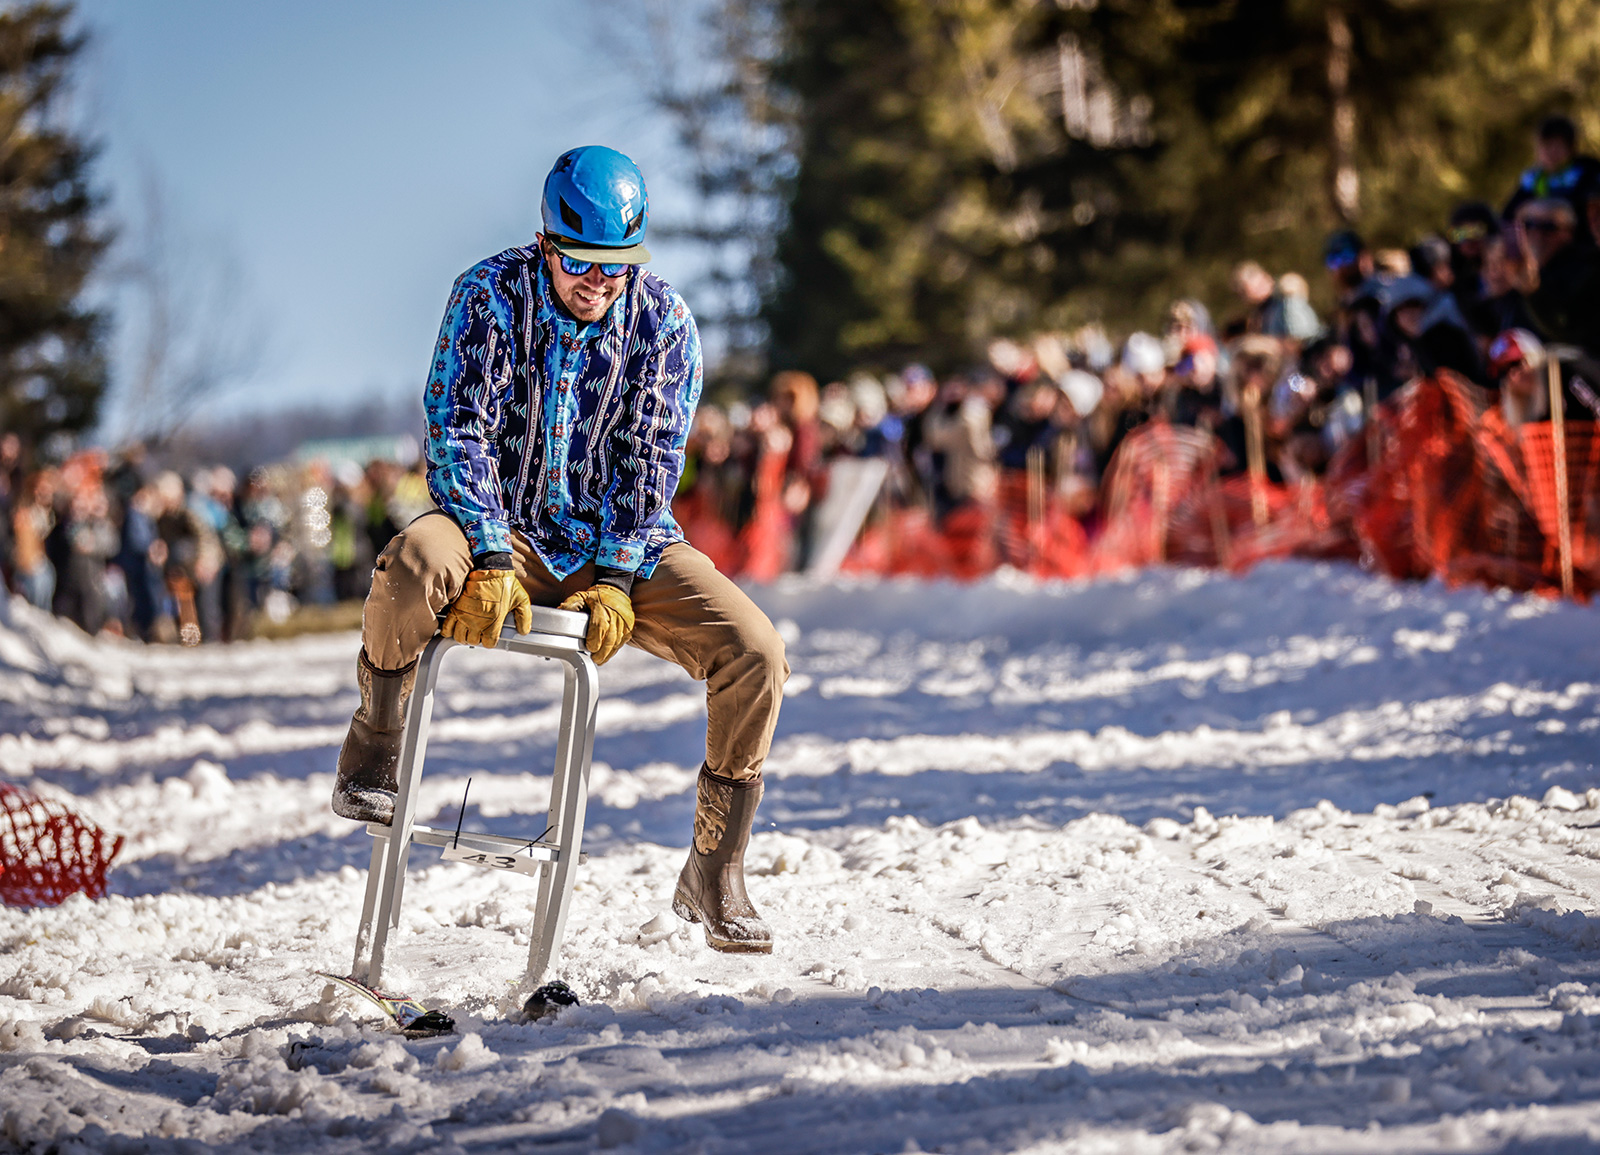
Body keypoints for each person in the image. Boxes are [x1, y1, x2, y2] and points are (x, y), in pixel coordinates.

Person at [331, 145, 787, 955]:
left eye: (617, 267)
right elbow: (456, 428)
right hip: (495, 528)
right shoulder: (487, 295)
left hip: (618, 545)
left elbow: (650, 462)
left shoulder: (664, 323)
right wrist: (493, 554)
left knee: (755, 648)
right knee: (409, 568)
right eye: (581, 263)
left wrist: (614, 577)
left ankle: (717, 867)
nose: (599, 283)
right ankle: (375, 736)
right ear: (546, 241)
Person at [1503, 114, 1600, 240]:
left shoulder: (1587, 172)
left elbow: (1579, 212)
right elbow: (1509, 214)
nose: (1551, 153)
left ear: (1571, 149)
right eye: (1546, 146)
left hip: (1580, 244)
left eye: (1557, 146)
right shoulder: (1534, 179)